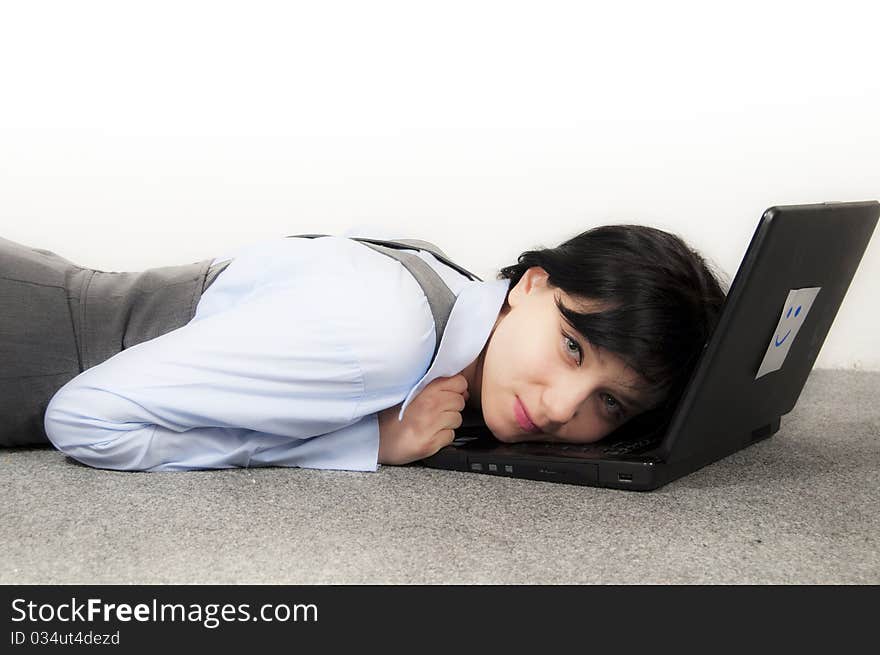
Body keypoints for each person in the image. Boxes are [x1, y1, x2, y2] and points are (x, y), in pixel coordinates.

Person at [0, 223, 727, 472]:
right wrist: (363, 443)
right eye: (572, 347)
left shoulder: (459, 304)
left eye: (610, 401)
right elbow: (85, 417)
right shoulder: (384, 333)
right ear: (531, 284)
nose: (564, 407)